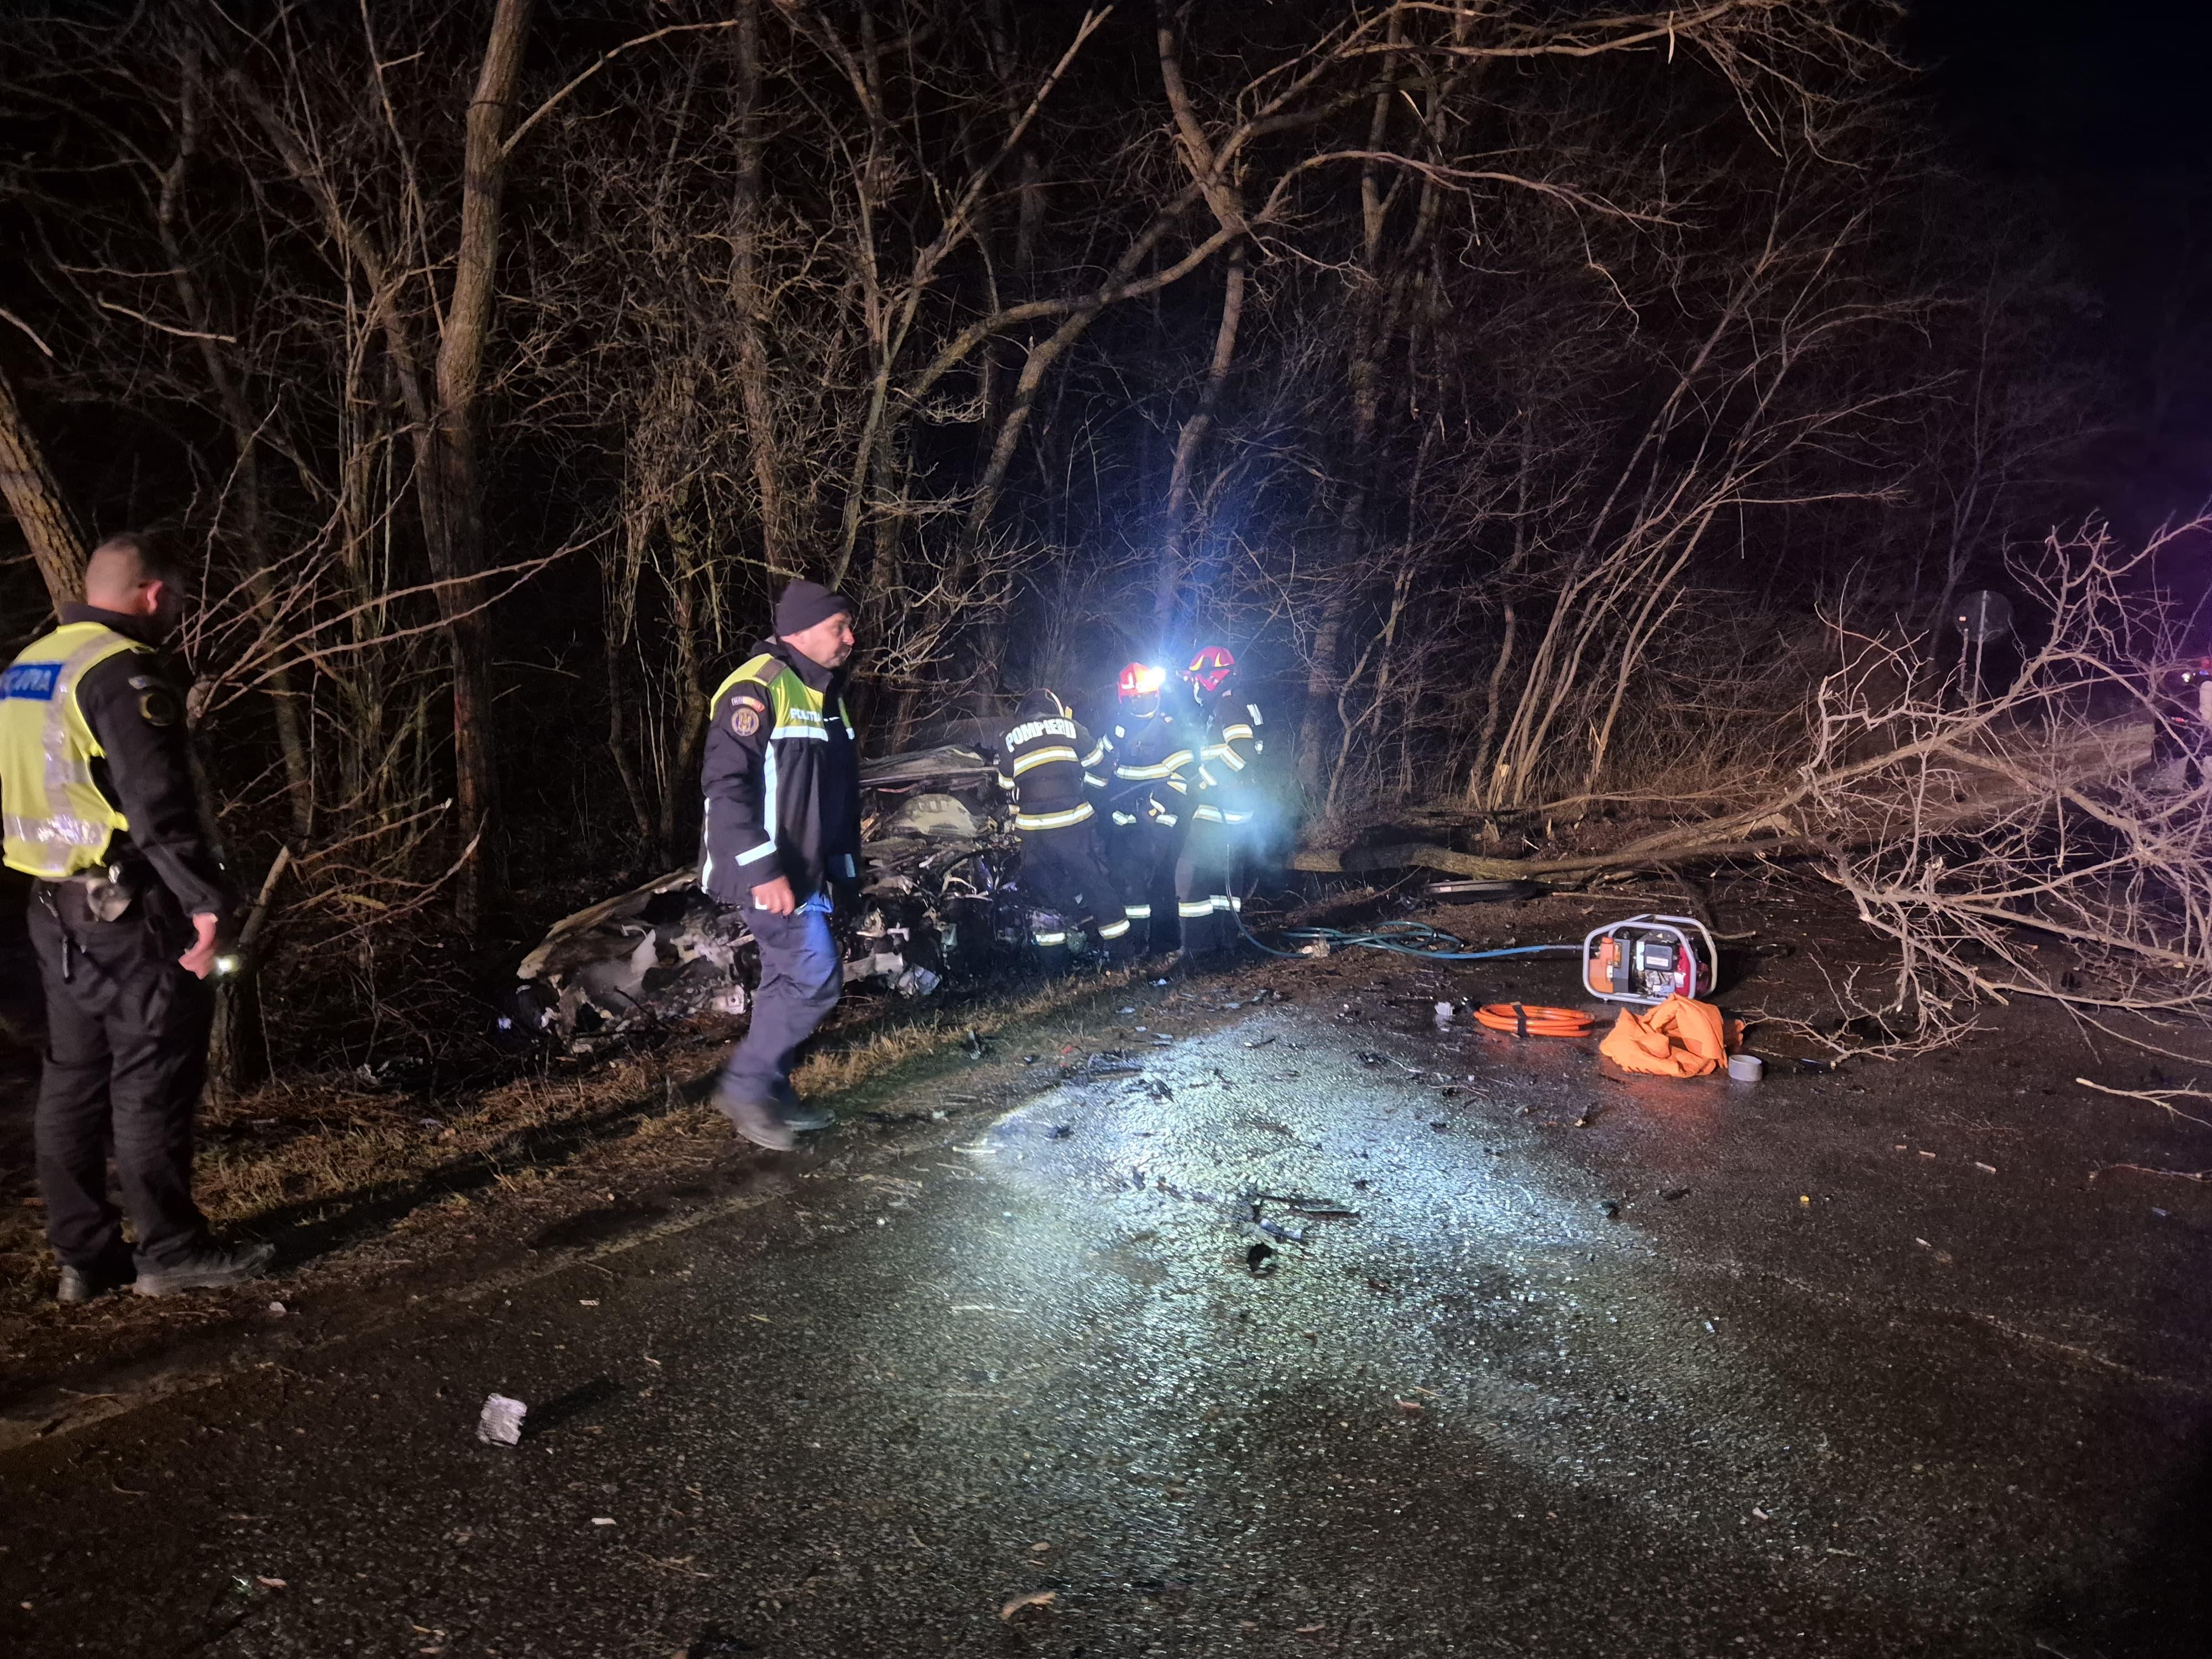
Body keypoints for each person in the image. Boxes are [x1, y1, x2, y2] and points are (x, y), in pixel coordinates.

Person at [1, 531, 272, 1301]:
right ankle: (170, 1251)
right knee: (151, 1075)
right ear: (153, 593)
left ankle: (84, 1257)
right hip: (126, 913)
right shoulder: (121, 672)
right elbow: (156, 806)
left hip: (52, 907)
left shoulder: (29, 667)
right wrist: (205, 904)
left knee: (73, 1078)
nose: (177, 611)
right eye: (176, 598)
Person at [698, 580, 863, 1150]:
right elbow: (726, 788)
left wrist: (845, 872)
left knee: (783, 983)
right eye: (838, 627)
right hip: (770, 875)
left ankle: (770, 1092)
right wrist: (763, 870)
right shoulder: (758, 688)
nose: (850, 638)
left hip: (805, 872)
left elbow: (837, 797)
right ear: (800, 631)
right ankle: (745, 1089)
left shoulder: (824, 695)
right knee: (815, 979)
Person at [994, 687, 1133, 971]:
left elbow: (1007, 786)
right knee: (1095, 885)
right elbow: (1100, 766)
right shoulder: (1072, 728)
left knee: (1046, 896)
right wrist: (1090, 796)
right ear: (1054, 709)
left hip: (1034, 834)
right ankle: (1120, 955)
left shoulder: (1009, 738)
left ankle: (1054, 965)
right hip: (1073, 826)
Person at [1098, 661, 1193, 954]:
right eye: (1135, 699)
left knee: (1160, 881)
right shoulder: (1118, 727)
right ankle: (1137, 946)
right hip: (1125, 819)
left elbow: (1184, 778)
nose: (1141, 705)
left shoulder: (1169, 729)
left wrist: (1155, 807)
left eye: (1147, 698)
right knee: (1127, 882)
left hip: (1159, 820)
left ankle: (1162, 944)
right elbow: (1101, 766)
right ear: (1124, 699)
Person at [1176, 645, 1264, 963]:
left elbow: (1241, 749)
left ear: (1211, 677)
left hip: (1221, 805)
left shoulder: (1228, 705)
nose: (1194, 686)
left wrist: (1203, 779)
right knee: (1225, 878)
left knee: (1191, 874)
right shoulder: (1241, 701)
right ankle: (1224, 944)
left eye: (1196, 679)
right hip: (1237, 806)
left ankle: (1197, 949)